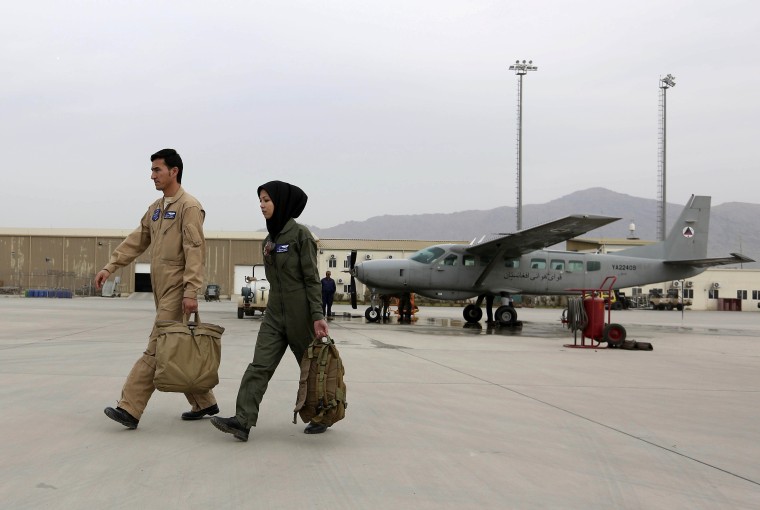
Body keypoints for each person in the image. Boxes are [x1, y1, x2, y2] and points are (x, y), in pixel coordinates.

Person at [96, 148, 219, 429]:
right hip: (161, 290)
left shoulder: (189, 207)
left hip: (177, 289)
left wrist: (191, 292)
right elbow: (136, 240)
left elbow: (195, 251)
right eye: (152, 170)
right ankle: (205, 402)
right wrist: (110, 266)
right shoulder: (156, 209)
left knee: (157, 347)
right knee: (175, 344)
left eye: (157, 170)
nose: (152, 175)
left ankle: (129, 408)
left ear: (174, 171)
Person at [211, 181, 329, 442]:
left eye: (266, 200)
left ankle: (323, 414)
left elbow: (311, 279)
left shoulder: (301, 236)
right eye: (260, 200)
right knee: (259, 365)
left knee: (309, 368)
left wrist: (318, 316)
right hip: (275, 313)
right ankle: (242, 421)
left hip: (301, 313)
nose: (262, 205)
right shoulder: (269, 240)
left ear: (281, 202)